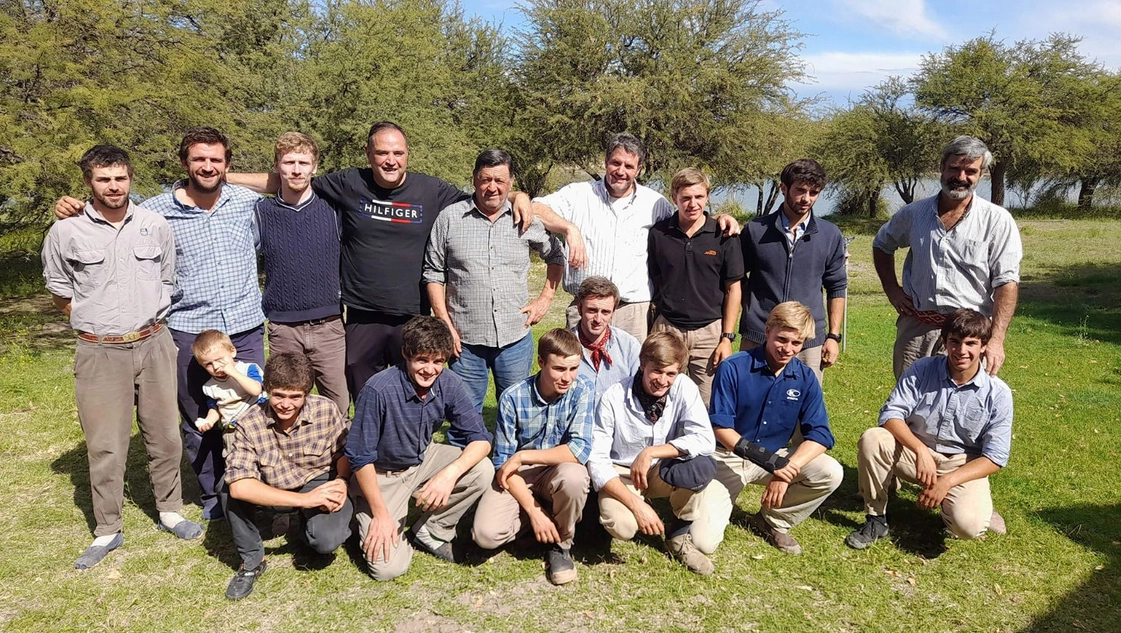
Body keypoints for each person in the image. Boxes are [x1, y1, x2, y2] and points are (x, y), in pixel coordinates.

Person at [228, 122, 534, 399]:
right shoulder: (349, 182)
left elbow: (485, 196)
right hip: (362, 316)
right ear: (368, 154)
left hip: (412, 316)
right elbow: (289, 179)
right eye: (382, 153)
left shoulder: (431, 190)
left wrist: (518, 196)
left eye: (398, 153)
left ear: (407, 154)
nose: (391, 160)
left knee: (412, 396)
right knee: (364, 397)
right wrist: (220, 177)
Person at [55, 127, 266, 521]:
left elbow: (286, 180)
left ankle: (254, 489)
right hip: (187, 328)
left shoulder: (246, 201)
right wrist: (75, 208)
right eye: (198, 159)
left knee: (252, 409)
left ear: (228, 164)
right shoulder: (155, 212)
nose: (207, 167)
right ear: (184, 163)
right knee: (196, 415)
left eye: (216, 160)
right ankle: (212, 495)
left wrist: (228, 176)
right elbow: (113, 209)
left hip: (243, 325)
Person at [42, 145, 202, 569]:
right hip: (99, 351)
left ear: (131, 178)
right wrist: (96, 322)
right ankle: (108, 528)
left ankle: (170, 510)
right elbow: (60, 292)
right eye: (103, 179)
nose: (113, 186)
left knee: (165, 435)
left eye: (120, 178)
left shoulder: (154, 225)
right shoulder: (66, 232)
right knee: (106, 445)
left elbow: (167, 278)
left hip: (154, 343)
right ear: (88, 182)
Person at [533, 133, 740, 343]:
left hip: (634, 313)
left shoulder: (655, 203)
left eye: (629, 166)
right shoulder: (578, 194)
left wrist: (718, 219)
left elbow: (686, 220)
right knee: (578, 363)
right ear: (605, 162)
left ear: (639, 170)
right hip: (588, 308)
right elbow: (536, 208)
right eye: (616, 163)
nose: (621, 171)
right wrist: (569, 229)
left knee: (634, 365)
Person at [846, 308, 1011, 549]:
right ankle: (876, 518)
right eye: (954, 342)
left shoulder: (998, 393)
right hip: (915, 454)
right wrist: (920, 450)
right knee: (873, 438)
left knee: (969, 527)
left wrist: (947, 482)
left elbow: (995, 457)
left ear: (984, 346)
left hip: (961, 464)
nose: (961, 350)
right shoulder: (923, 368)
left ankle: (951, 509)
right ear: (945, 342)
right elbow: (890, 415)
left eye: (971, 343)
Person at [346, 316, 494, 581]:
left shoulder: (448, 382)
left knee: (482, 469)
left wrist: (448, 475)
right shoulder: (378, 389)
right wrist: (380, 514)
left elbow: (481, 439)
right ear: (406, 354)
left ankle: (432, 529)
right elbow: (360, 457)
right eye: (422, 360)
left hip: (423, 457)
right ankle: (364, 511)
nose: (430, 369)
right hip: (381, 474)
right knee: (386, 569)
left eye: (438, 361)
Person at [691, 301, 843, 556]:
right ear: (768, 330)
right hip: (727, 457)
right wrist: (775, 465)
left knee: (830, 472)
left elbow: (820, 435)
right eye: (781, 339)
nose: (787, 349)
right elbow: (720, 428)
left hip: (775, 457)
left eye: (796, 343)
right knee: (702, 542)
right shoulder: (733, 367)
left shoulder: (805, 377)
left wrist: (785, 470)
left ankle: (772, 520)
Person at [423, 149, 565, 411]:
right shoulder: (449, 219)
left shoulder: (524, 219)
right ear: (474, 179)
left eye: (499, 180)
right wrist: (445, 324)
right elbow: (433, 273)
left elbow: (556, 255)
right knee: (464, 414)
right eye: (485, 179)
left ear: (511, 182)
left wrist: (545, 298)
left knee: (517, 412)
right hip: (464, 340)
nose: (492, 187)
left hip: (514, 338)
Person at [873, 136, 1022, 378]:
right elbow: (882, 244)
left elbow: (1007, 282)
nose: (961, 177)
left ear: (981, 174)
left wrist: (996, 340)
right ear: (942, 167)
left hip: (969, 335)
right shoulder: (914, 214)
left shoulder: (997, 220)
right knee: (910, 397)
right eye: (954, 168)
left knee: (962, 398)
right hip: (917, 331)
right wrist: (892, 289)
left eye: (970, 171)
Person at [220, 352, 353, 600]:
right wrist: (306, 501)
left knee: (326, 542)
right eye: (278, 395)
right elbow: (239, 486)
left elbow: (344, 453)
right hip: (273, 486)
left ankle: (307, 529)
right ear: (267, 390)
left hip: (317, 480)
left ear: (307, 394)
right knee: (227, 488)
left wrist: (341, 480)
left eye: (295, 397)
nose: (285, 404)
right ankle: (252, 560)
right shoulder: (249, 422)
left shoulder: (326, 409)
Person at [588, 331, 718, 575]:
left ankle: (678, 535)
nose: (663, 380)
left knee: (698, 465)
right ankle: (613, 513)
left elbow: (705, 439)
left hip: (661, 468)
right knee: (623, 526)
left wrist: (651, 452)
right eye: (656, 371)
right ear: (642, 365)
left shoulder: (684, 387)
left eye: (671, 373)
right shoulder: (614, 396)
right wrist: (638, 506)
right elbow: (597, 460)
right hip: (623, 473)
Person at [472, 329, 594, 585]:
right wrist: (534, 511)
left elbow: (579, 449)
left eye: (573, 369)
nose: (567, 377)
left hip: (557, 469)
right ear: (541, 362)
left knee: (575, 478)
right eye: (559, 369)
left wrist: (524, 456)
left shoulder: (582, 389)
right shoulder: (513, 397)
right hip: (518, 476)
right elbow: (503, 464)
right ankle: (542, 518)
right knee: (485, 535)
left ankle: (561, 544)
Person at [256, 132, 349, 417]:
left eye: (303, 163)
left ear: (314, 167)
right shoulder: (261, 212)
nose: (296, 170)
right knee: (286, 405)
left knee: (338, 406)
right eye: (289, 162)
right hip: (283, 329)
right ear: (277, 166)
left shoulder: (333, 209)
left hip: (329, 326)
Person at [739, 159, 847, 383]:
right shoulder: (755, 230)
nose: (807, 199)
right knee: (750, 399)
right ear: (783, 188)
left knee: (802, 401)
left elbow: (836, 286)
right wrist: (752, 312)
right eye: (800, 190)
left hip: (808, 342)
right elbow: (736, 279)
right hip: (759, 337)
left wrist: (833, 336)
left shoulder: (830, 234)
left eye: (814, 193)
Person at [648, 167, 744, 404]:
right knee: (662, 398)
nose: (693, 204)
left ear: (707, 196)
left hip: (709, 333)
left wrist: (727, 338)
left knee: (707, 403)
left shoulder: (724, 235)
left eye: (699, 196)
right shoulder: (659, 234)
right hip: (668, 328)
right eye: (686, 198)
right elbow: (655, 279)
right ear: (674, 198)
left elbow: (733, 289)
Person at [571, 277, 641, 402]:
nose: (598, 319)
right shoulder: (562, 345)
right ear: (580, 308)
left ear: (613, 312)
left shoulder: (629, 346)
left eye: (605, 312)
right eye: (592, 311)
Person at [192, 330, 265, 450]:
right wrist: (209, 421)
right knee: (236, 460)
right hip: (233, 431)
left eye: (219, 359)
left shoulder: (248, 369)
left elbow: (256, 390)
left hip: (259, 424)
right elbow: (215, 408)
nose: (216, 367)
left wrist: (233, 373)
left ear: (232, 351)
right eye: (208, 364)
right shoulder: (210, 387)